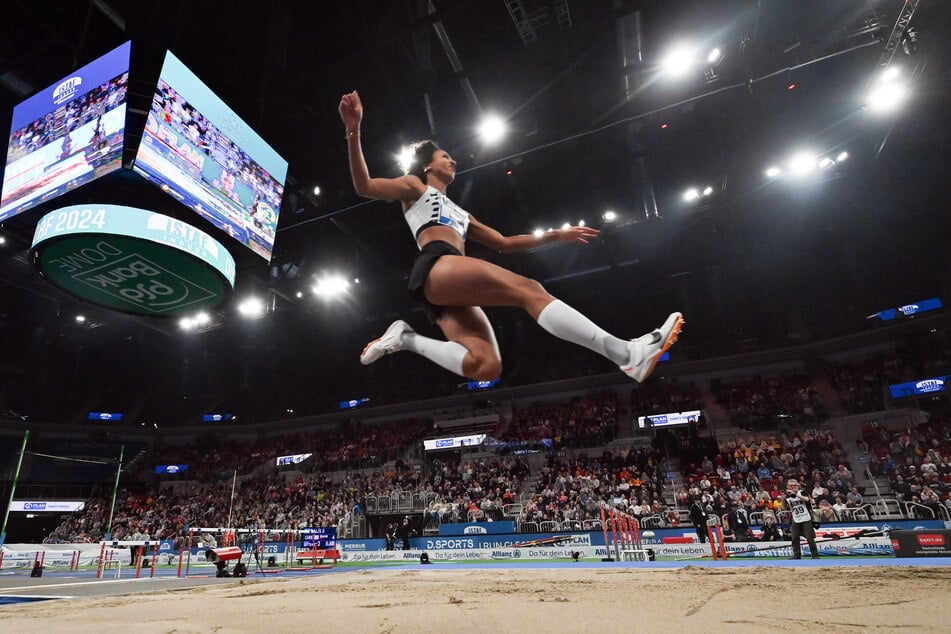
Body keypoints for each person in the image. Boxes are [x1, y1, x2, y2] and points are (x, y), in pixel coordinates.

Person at [338, 91, 683, 384]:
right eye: (446, 156)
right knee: (529, 290)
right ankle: (626, 353)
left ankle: (407, 339)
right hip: (437, 264)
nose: (453, 159)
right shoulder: (414, 186)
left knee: (486, 366)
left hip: (448, 283)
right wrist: (354, 132)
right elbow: (363, 186)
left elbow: (503, 243)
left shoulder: (461, 213)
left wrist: (555, 235)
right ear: (428, 166)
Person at [784, 478, 819, 559]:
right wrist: (783, 500)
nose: (793, 487)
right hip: (796, 518)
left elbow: (807, 499)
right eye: (790, 486)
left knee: (809, 537)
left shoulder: (802, 492)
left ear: (797, 486)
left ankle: (815, 555)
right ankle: (796, 555)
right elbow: (786, 507)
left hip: (806, 517)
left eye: (794, 485)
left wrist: (796, 494)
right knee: (795, 537)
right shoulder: (787, 495)